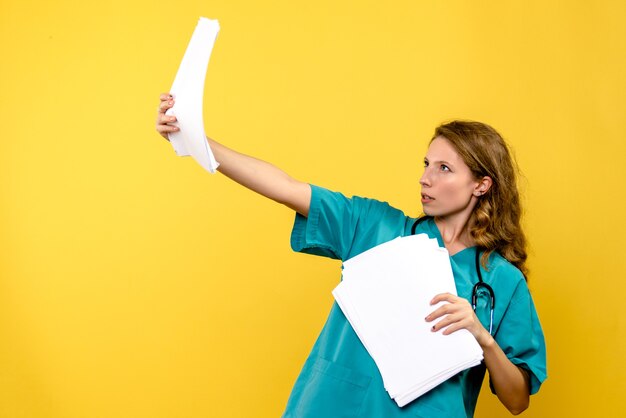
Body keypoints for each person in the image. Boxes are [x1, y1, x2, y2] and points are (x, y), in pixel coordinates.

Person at [155, 93, 547, 417]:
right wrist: (197, 142)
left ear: (481, 184)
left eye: (444, 168)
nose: (426, 178)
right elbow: (285, 186)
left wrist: (482, 337)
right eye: (426, 164)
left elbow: (516, 400)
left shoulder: (500, 281)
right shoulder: (376, 228)